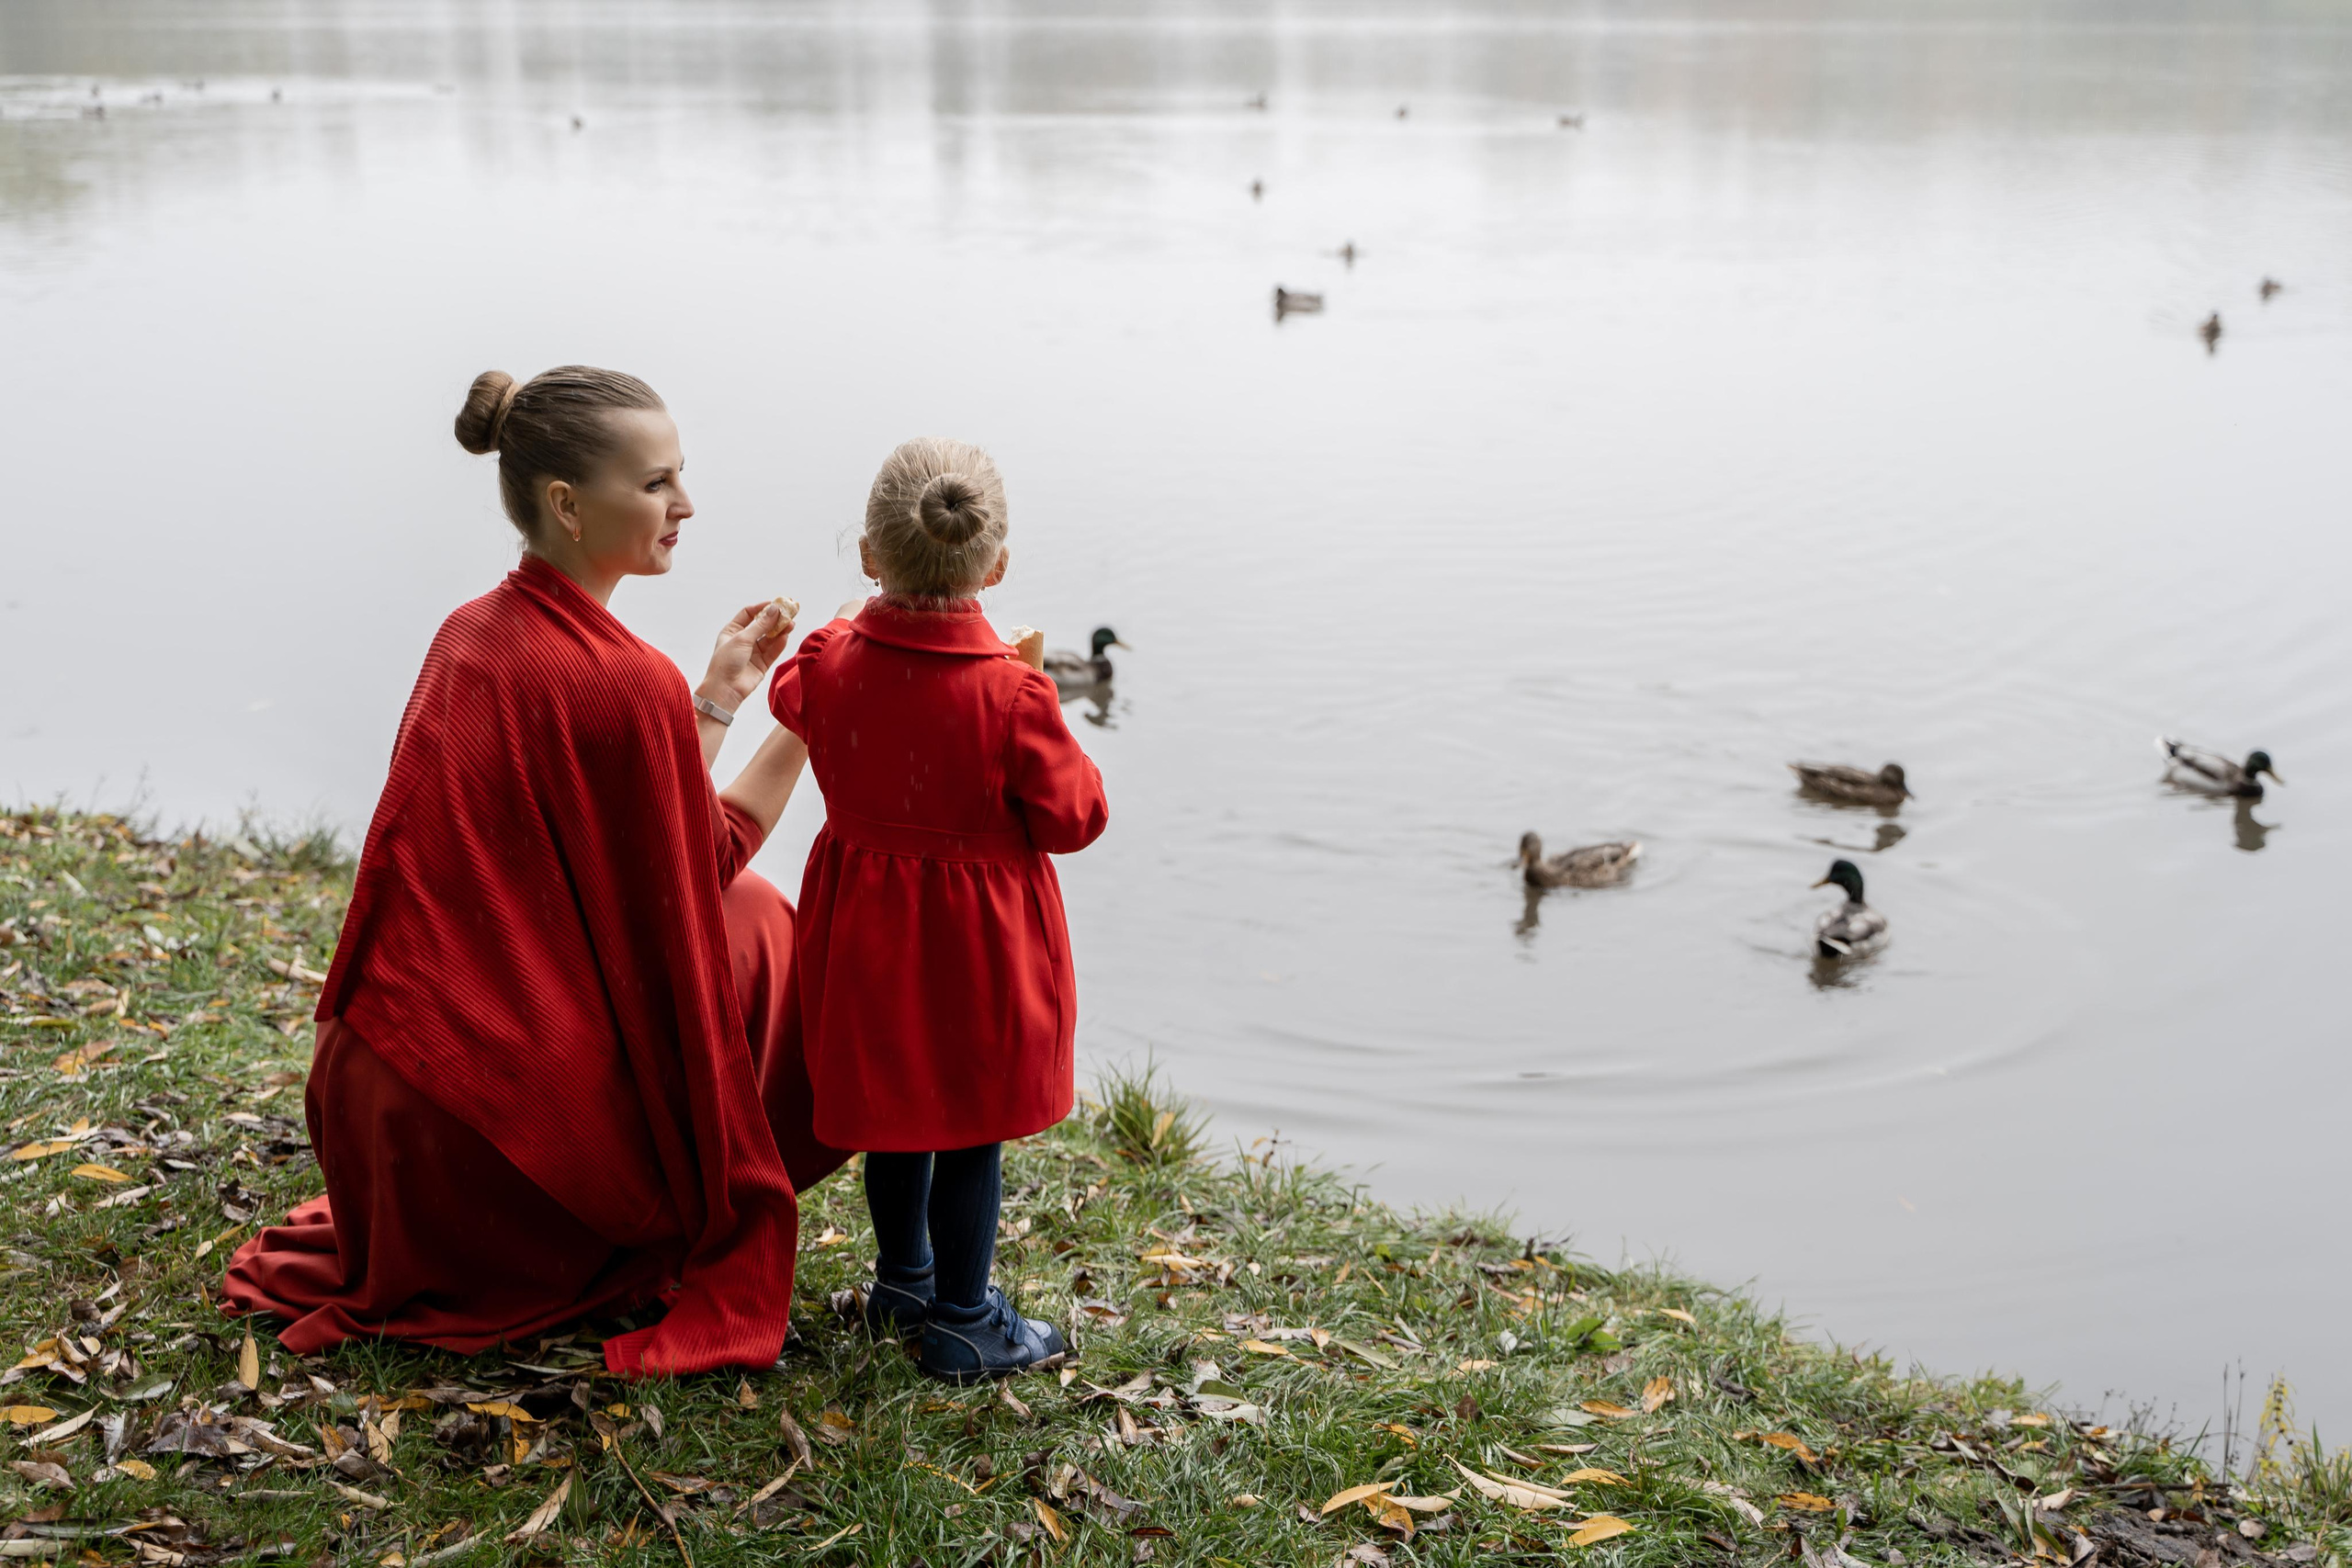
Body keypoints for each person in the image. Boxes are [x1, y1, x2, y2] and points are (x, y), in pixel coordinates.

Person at [221, 366, 844, 1375]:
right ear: (565, 503)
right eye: (654, 485)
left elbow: (627, 838)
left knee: (723, 913)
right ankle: (675, 1191)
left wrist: (719, 697)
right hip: (483, 1150)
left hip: (383, 1108)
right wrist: (809, 719)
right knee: (762, 920)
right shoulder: (625, 681)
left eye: (679, 476)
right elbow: (696, 865)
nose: (685, 505)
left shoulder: (468, 636)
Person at [769, 436, 1108, 1382]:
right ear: (994, 566)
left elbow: (793, 691)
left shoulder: (832, 664)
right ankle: (963, 1320)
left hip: (866, 936)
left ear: (870, 555)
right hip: (976, 948)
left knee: (899, 1115)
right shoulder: (1013, 693)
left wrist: (842, 624)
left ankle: (905, 1283)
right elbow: (1077, 817)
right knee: (969, 1124)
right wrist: (1033, 689)